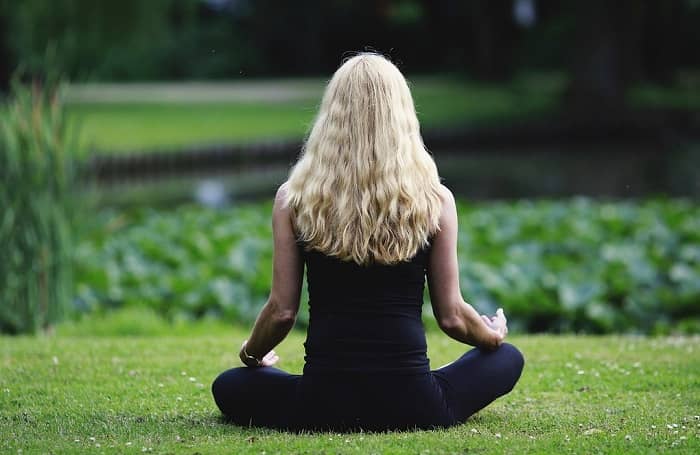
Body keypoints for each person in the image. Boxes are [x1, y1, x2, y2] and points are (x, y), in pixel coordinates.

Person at [211, 53, 524, 432]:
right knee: (507, 357)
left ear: (331, 118)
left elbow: (281, 312)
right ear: (402, 117)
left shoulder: (294, 199)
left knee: (228, 385)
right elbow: (452, 316)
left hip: (321, 404)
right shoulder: (435, 200)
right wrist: (489, 335)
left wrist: (251, 354)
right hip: (417, 404)